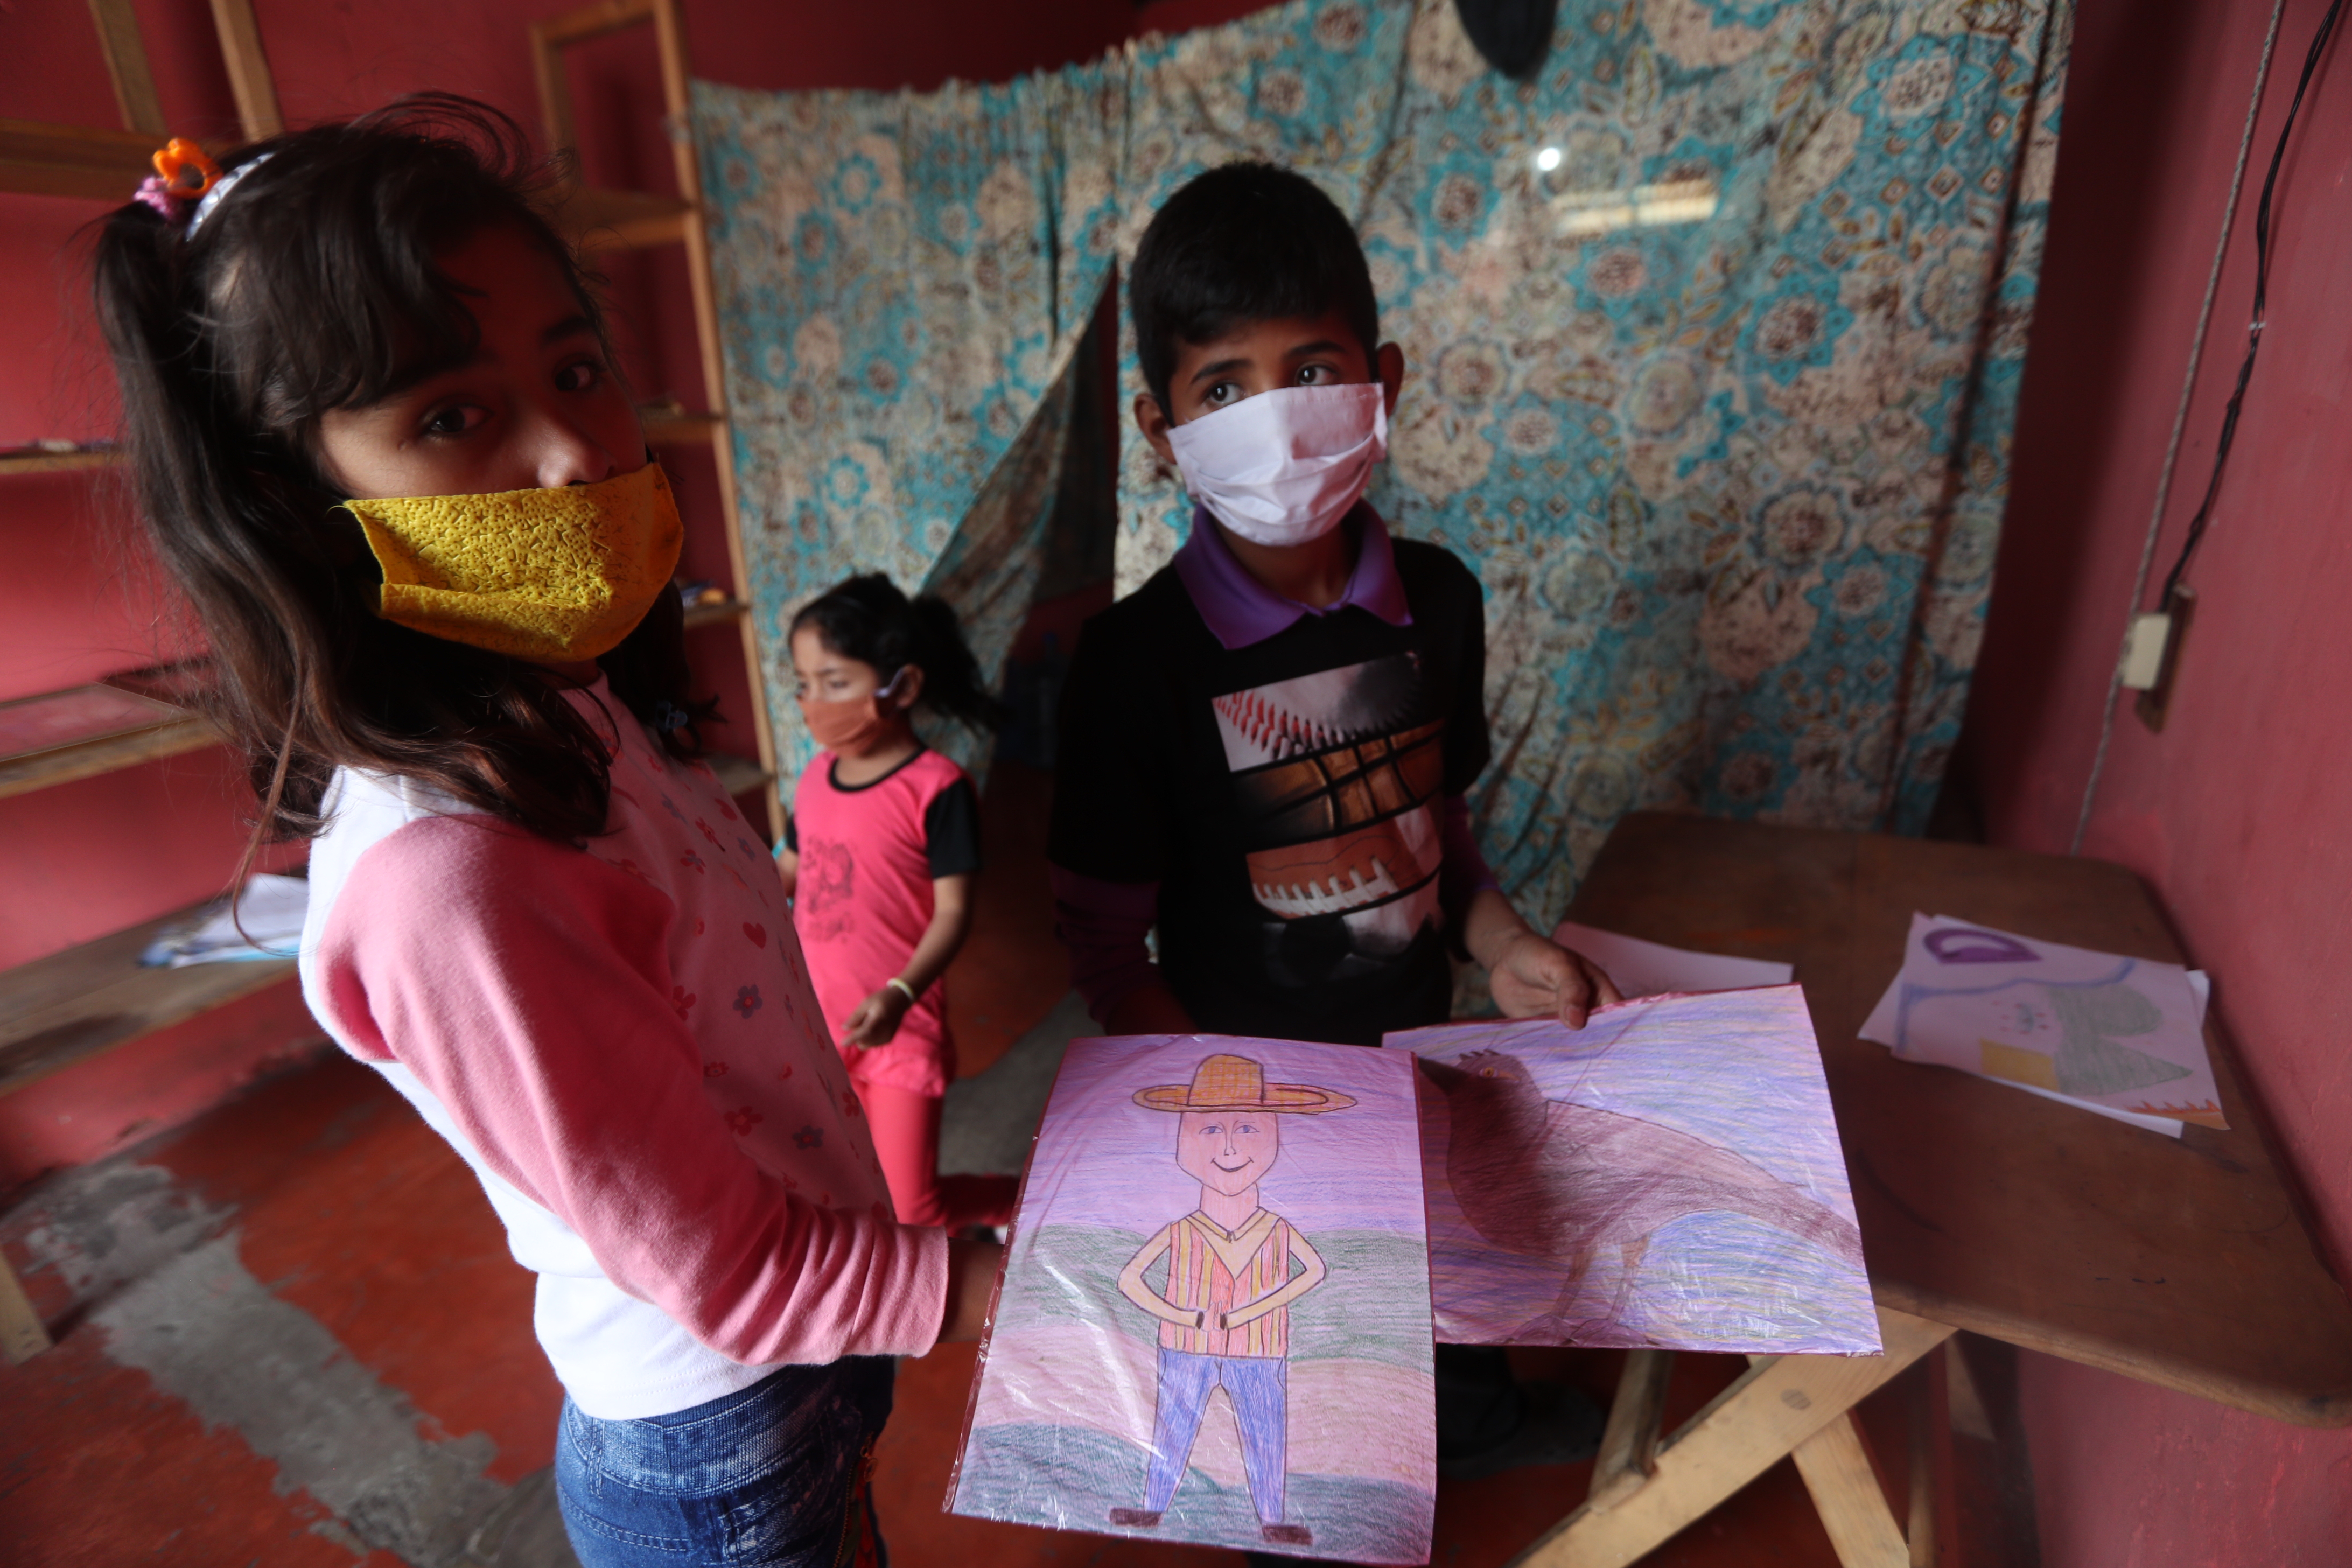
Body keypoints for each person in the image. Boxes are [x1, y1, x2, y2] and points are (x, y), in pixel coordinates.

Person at [93, 98, 998, 1568]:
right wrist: (982, 1285)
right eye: (452, 416)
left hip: (801, 1379)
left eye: (576, 370)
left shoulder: (557, 700)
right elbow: (724, 1270)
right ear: (294, 500)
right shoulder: (447, 879)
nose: (576, 454)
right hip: (725, 1440)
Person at [1047, 161, 1626, 1503]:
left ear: (1385, 381)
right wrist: (1208, 1097)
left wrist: (1507, 943)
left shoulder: (1438, 603)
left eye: (1313, 368)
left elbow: (1442, 828)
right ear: (1160, 426)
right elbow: (1098, 932)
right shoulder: (1137, 665)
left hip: (1421, 1032)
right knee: (1298, 1351)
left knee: (1441, 1249)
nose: (1279, 418)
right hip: (1249, 1088)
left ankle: (1473, 1420)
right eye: (1225, 389)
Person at [774, 574, 1018, 1232]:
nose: (814, 702)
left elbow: (953, 912)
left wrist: (901, 992)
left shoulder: (938, 790)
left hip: (899, 1027)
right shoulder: (814, 776)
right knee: (852, 1178)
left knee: (913, 1206)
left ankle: (1017, 1202)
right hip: (822, 1028)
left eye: (835, 681)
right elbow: (790, 871)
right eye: (804, 683)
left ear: (902, 687)